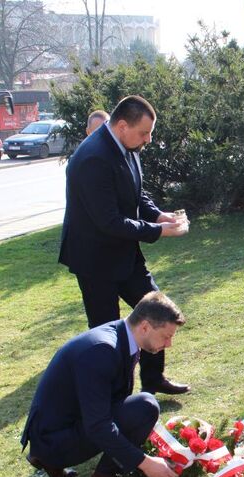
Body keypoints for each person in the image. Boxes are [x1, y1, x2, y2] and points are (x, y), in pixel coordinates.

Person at [59, 95, 190, 396]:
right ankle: (112, 396)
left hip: (125, 254)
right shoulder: (92, 158)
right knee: (107, 333)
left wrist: (158, 214)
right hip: (95, 260)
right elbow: (110, 222)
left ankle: (154, 379)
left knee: (158, 310)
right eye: (144, 133)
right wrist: (159, 231)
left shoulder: (128, 145)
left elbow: (136, 194)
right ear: (121, 126)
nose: (148, 140)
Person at [21, 291, 183, 477]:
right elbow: (98, 425)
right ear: (145, 326)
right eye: (166, 336)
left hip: (54, 429)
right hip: (52, 439)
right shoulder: (102, 350)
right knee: (145, 407)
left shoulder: (120, 334)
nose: (168, 344)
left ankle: (48, 459)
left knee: (137, 407)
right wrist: (144, 462)